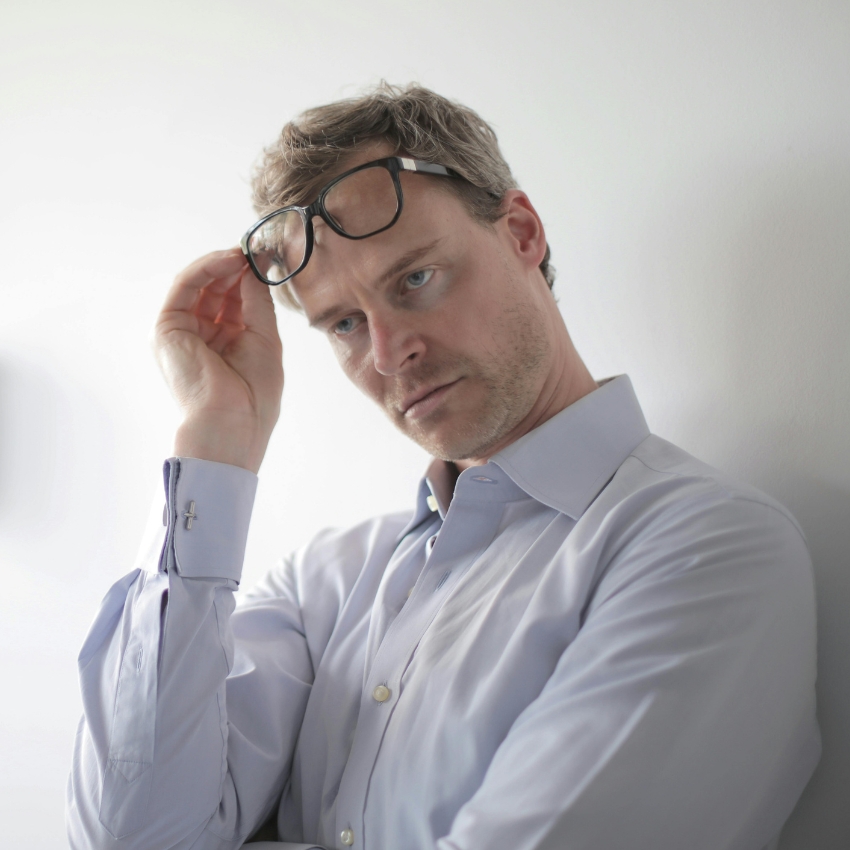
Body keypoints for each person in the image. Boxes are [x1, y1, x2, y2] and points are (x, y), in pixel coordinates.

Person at [66, 83, 820, 850]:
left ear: (522, 233)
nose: (391, 355)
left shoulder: (706, 547)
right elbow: (135, 834)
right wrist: (216, 442)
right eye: (347, 324)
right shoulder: (322, 583)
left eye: (415, 280)